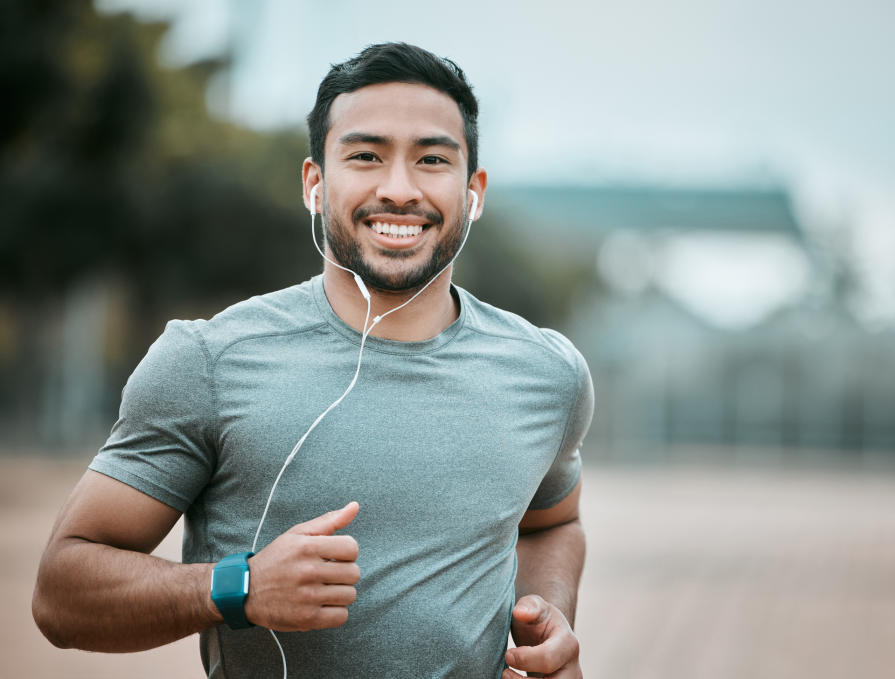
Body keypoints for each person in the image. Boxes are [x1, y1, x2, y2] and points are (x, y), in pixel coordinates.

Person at [33, 42, 593, 679]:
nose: (399, 189)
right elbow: (60, 592)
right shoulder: (208, 361)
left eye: (432, 159)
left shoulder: (548, 373)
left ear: (473, 191)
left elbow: (555, 521)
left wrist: (548, 615)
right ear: (315, 184)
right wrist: (237, 589)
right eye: (365, 156)